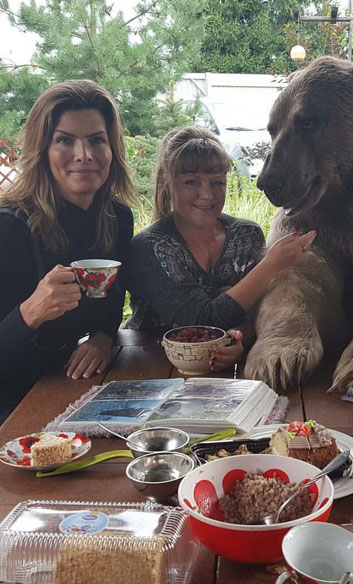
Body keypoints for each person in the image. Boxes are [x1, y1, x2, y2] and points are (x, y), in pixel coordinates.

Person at [0, 80, 137, 423]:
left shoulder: (116, 219)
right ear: (42, 150)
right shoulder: (10, 228)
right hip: (13, 401)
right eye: (65, 140)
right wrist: (29, 313)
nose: (84, 155)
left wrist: (103, 339)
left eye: (96, 140)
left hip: (78, 388)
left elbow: (112, 301)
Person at [125, 126, 315, 372]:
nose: (206, 195)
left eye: (217, 182)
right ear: (166, 183)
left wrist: (238, 340)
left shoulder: (246, 235)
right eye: (191, 182)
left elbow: (254, 312)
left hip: (220, 374)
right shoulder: (151, 246)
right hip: (148, 367)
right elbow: (202, 322)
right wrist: (270, 266)